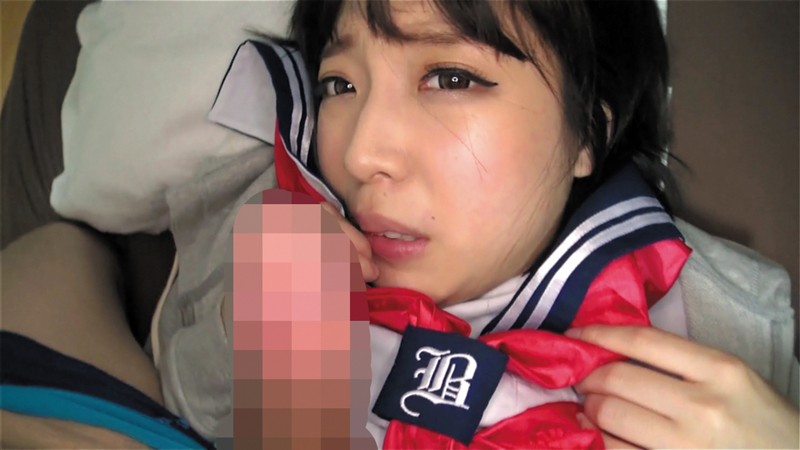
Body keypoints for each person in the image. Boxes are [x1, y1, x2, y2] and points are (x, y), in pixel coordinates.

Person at [277, 0, 799, 448]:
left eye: (451, 79)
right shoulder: (276, 269)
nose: (362, 155)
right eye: (339, 84)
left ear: (587, 132)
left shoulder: (728, 341)